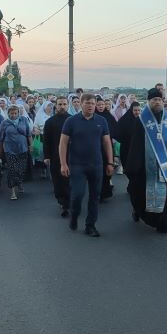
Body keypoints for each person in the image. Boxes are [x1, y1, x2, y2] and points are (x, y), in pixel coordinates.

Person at [124, 89, 167, 234]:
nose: (157, 102)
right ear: (148, 102)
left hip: (164, 165)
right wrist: (134, 166)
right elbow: (135, 145)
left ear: (162, 102)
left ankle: (163, 223)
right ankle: (139, 211)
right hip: (144, 166)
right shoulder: (141, 121)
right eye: (154, 100)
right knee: (141, 193)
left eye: (159, 100)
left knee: (165, 195)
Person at [59, 93, 114, 237]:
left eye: (93, 103)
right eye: (88, 103)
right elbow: (63, 142)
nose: (91, 106)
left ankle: (90, 225)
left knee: (95, 196)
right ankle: (75, 215)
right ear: (81, 104)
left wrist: (110, 162)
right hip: (77, 165)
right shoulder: (71, 121)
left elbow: (107, 142)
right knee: (78, 194)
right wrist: (63, 164)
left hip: (96, 165)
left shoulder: (101, 121)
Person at [43, 97, 71, 217]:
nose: (62, 106)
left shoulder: (73, 120)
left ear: (67, 105)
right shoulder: (50, 122)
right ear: (56, 106)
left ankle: (69, 201)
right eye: (60, 104)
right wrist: (47, 156)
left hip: (72, 155)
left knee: (70, 180)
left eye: (64, 104)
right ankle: (63, 202)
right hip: (55, 155)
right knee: (58, 180)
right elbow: (46, 140)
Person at [0, 105, 31, 200]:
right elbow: (1, 138)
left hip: (23, 148)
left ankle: (20, 182)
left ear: (18, 113)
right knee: (12, 170)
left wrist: (31, 145)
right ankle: (13, 192)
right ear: (8, 113)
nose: (13, 115)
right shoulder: (4, 123)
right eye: (11, 113)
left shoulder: (23, 120)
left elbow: (28, 133)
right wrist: (0, 151)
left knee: (21, 169)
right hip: (10, 150)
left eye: (15, 113)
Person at [95, 96, 118, 201]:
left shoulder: (109, 117)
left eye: (102, 105)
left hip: (107, 147)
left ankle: (105, 191)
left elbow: (114, 129)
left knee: (107, 168)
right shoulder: (93, 116)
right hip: (96, 147)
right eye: (98, 105)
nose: (100, 107)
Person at [32, 101, 54, 178]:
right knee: (42, 153)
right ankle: (43, 169)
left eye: (51, 106)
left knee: (52, 154)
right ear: (45, 107)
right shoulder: (39, 116)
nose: (50, 108)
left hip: (52, 137)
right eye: (48, 106)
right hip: (42, 137)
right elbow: (35, 126)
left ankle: (52, 171)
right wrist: (36, 130)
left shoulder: (54, 115)